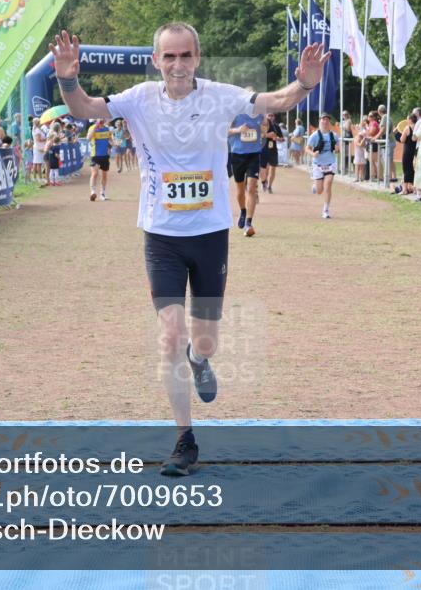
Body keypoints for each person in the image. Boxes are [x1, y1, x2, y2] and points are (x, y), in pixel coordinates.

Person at [49, 24, 329, 476]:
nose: (177, 65)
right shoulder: (139, 99)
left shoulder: (219, 95)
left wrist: (306, 82)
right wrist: (67, 78)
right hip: (161, 235)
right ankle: (184, 439)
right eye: (169, 57)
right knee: (170, 336)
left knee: (203, 341)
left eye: (185, 56)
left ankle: (200, 362)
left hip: (210, 233)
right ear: (156, 61)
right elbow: (83, 108)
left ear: (197, 58)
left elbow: (276, 101)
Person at [227, 105, 264, 237]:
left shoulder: (260, 115)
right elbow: (225, 131)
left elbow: (266, 129)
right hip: (237, 155)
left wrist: (264, 128)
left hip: (254, 155)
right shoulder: (235, 115)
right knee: (240, 190)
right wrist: (238, 129)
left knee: (252, 187)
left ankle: (249, 222)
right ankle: (243, 210)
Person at [306, 114, 340, 219]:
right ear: (320, 121)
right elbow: (307, 148)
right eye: (323, 120)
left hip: (330, 163)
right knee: (320, 190)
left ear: (329, 123)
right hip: (318, 164)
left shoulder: (334, 135)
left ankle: (326, 210)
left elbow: (338, 149)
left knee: (328, 184)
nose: (325, 122)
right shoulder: (315, 135)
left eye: (327, 120)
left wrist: (337, 149)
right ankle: (316, 186)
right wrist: (313, 154)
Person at [86, 117, 112, 200]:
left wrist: (113, 144)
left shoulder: (107, 129)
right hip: (95, 155)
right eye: (99, 119)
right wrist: (95, 127)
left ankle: (103, 193)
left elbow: (110, 141)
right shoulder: (92, 128)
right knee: (95, 173)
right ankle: (93, 192)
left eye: (102, 119)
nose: (101, 120)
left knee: (104, 175)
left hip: (105, 155)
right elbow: (88, 138)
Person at [259, 112, 283, 193]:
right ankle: (264, 182)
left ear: (274, 117)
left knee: (273, 169)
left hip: (273, 150)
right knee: (264, 169)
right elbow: (259, 135)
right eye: (269, 115)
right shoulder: (262, 125)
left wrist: (277, 139)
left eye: (272, 115)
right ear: (266, 116)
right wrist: (267, 135)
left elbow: (282, 138)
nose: (270, 117)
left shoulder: (276, 127)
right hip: (263, 149)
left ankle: (269, 186)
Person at [398, 112, 418, 196]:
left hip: (407, 150)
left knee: (406, 168)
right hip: (414, 150)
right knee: (412, 169)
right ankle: (412, 186)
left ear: (410, 120)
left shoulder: (407, 128)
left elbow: (402, 140)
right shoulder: (417, 127)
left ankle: (405, 189)